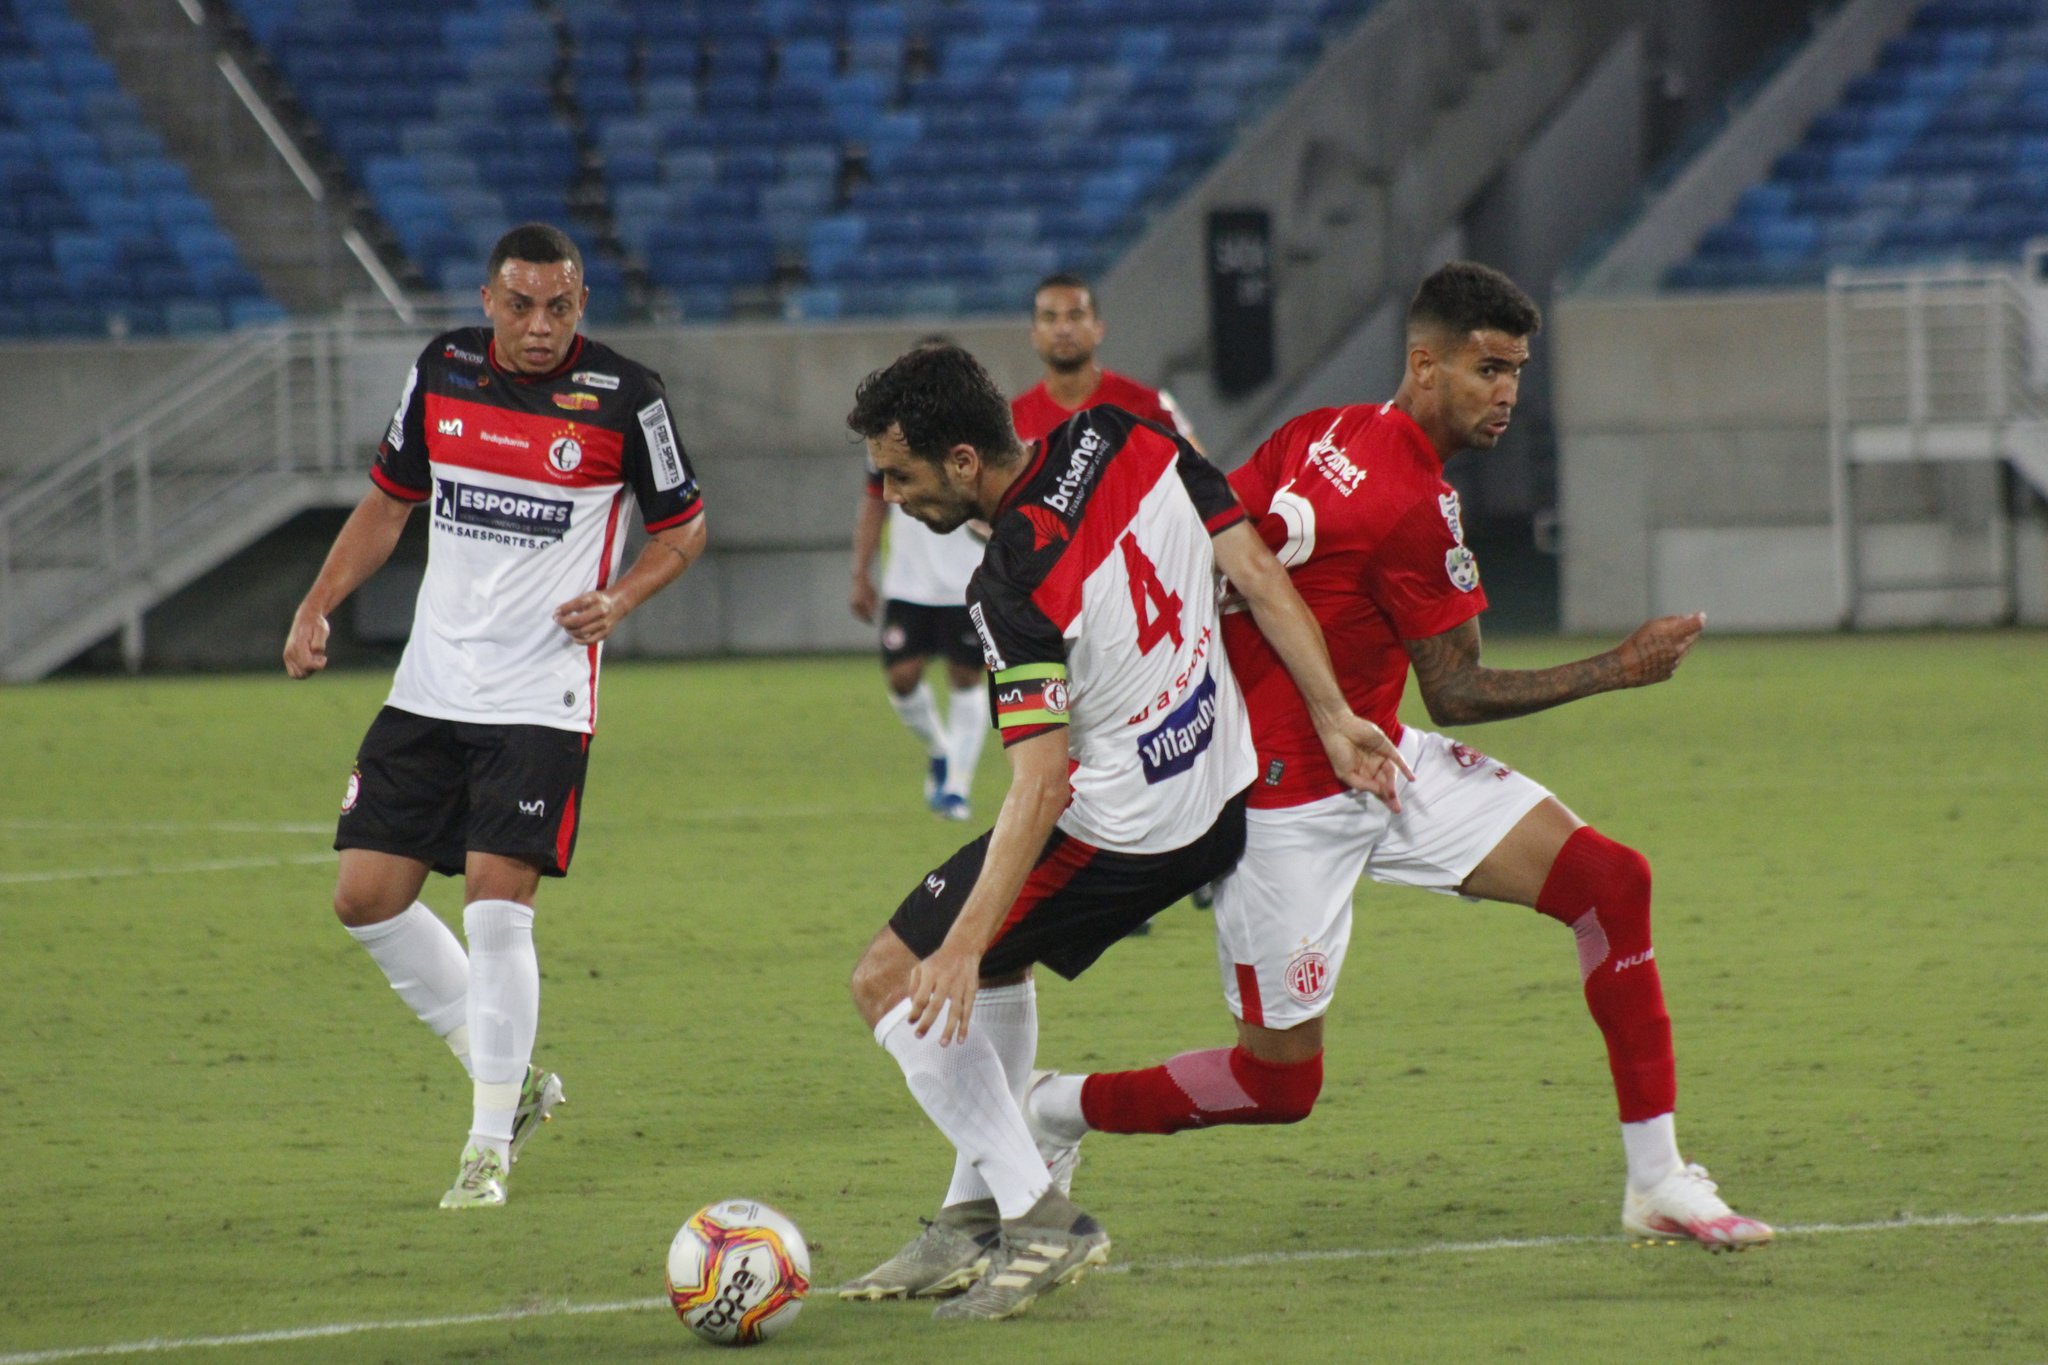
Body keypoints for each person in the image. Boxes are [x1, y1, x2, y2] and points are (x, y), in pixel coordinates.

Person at [1024, 261, 1773, 1252]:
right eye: (1487, 369)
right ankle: (1053, 1108)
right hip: (1282, 807)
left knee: (1607, 882)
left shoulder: (1317, 429)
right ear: (1424, 363)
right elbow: (1457, 690)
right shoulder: (1411, 503)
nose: (1506, 392)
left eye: (1515, 371)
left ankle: (1656, 1179)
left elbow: (1222, 532)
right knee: (1275, 1084)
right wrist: (1617, 667)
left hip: (1375, 755)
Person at [836, 342, 1409, 1320]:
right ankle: (967, 1214)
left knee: (889, 977)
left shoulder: (1008, 586)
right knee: (1004, 966)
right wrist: (1329, 712)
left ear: (964, 461)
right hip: (1212, 797)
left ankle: (1037, 1214)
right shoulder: (1122, 435)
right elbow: (1259, 574)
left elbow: (1041, 780)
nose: (889, 496)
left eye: (899, 474)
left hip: (1123, 829)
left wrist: (960, 945)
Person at [282, 223, 707, 1210]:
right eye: (519, 305)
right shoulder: (441, 373)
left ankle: (484, 1150)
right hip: (430, 686)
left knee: (494, 906)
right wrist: (317, 604)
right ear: (486, 302)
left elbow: (682, 528)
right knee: (364, 897)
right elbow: (387, 504)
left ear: (582, 305)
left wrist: (623, 598)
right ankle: (503, 1075)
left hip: (541, 696)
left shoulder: (626, 398)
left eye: (558, 306)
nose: (538, 325)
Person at [849, 450, 988, 822]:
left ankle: (958, 787)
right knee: (902, 676)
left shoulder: (974, 422)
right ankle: (940, 750)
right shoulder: (885, 436)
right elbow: (875, 501)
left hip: (967, 580)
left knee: (966, 676)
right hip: (908, 584)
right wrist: (860, 571)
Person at [1009, 272, 1201, 451]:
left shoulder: (1148, 407)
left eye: (1075, 316)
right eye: (1050, 318)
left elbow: (1203, 477)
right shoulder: (1011, 421)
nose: (1063, 329)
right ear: (1033, 334)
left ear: (1098, 329)